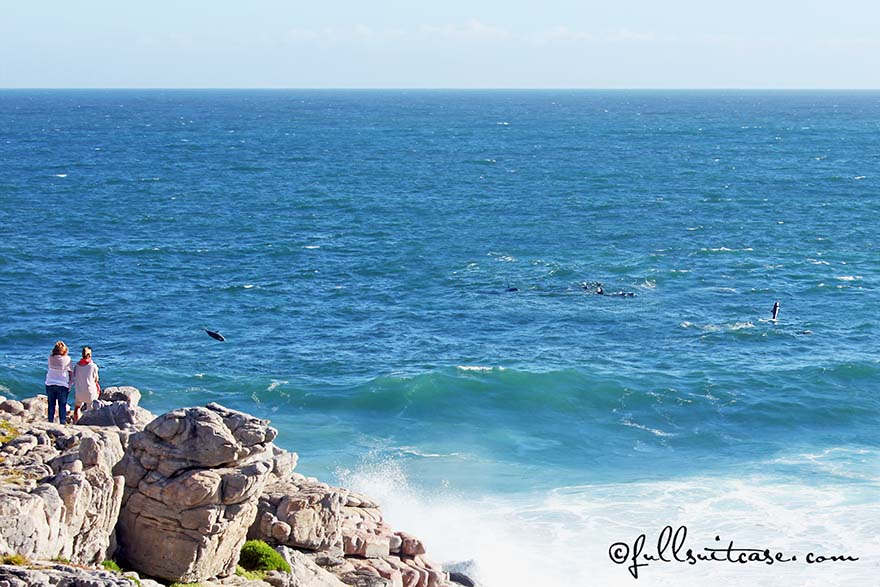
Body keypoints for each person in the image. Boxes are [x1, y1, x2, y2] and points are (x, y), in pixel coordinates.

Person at [45, 340, 73, 424]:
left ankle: (50, 421)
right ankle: (62, 422)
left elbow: (50, 367)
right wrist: (70, 384)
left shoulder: (50, 358)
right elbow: (71, 371)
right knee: (62, 405)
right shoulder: (67, 359)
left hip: (50, 382)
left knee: (51, 404)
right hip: (62, 384)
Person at [72, 346, 100, 424]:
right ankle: (89, 424)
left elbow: (74, 376)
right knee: (90, 409)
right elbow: (96, 379)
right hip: (90, 393)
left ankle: (76, 422)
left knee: (77, 407)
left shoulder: (77, 366)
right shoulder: (93, 366)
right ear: (89, 355)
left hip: (79, 392)